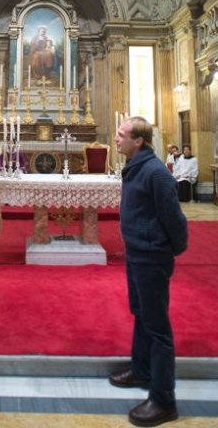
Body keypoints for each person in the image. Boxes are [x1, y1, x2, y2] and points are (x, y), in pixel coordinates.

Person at [109, 116, 188, 427]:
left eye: (120, 134)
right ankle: (141, 369)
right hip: (137, 252)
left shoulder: (155, 174)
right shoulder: (135, 166)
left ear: (137, 141)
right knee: (141, 313)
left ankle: (164, 400)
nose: (115, 139)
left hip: (151, 256)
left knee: (158, 328)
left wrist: (169, 249)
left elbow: (175, 220)